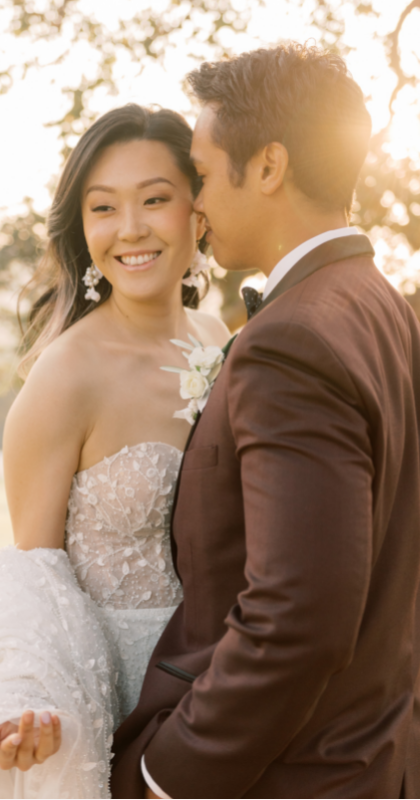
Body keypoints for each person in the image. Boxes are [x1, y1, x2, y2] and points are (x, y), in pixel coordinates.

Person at [110, 43, 420, 798]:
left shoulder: (293, 340)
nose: (197, 202)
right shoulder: (387, 311)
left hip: (292, 777)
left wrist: (165, 774)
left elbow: (296, 617)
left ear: (271, 166)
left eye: (207, 173)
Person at [0, 103, 229, 798]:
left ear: (197, 210)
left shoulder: (221, 340)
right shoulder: (64, 377)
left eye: (155, 199)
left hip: (225, 693)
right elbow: (33, 581)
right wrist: (29, 697)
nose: (131, 229)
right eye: (104, 208)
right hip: (117, 702)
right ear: (83, 227)